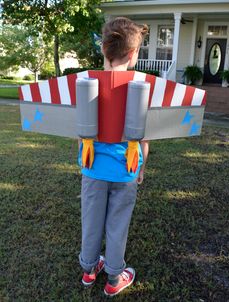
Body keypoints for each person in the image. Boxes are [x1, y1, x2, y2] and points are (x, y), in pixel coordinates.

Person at [77, 17, 149, 297]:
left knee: (91, 221)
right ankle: (114, 277)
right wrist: (142, 166)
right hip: (125, 172)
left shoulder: (85, 83)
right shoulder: (141, 86)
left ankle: (89, 269)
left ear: (103, 50)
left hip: (92, 170)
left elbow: (79, 132)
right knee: (118, 224)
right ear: (132, 55)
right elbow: (144, 138)